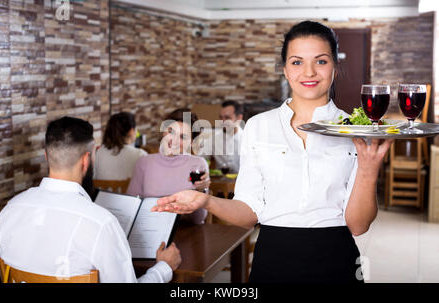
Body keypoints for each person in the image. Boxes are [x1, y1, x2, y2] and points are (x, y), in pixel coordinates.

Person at [152, 21, 393, 283]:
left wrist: (369, 171)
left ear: (335, 66)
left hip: (337, 256)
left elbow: (359, 225)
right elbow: (248, 215)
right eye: (297, 62)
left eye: (321, 61)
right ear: (285, 70)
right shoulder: (258, 126)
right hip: (273, 256)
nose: (309, 72)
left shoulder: (353, 130)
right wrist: (207, 202)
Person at [0, 116, 181, 283]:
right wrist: (164, 268)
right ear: (86, 160)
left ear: (46, 157)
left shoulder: (10, 210)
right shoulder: (101, 223)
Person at [127, 108, 209, 224]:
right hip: (150, 228)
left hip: (187, 230)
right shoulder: (144, 163)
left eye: (183, 137)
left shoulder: (198, 165)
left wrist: (201, 192)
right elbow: (131, 207)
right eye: (171, 131)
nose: (174, 140)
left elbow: (197, 219)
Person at [94, 112, 148, 181]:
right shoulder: (140, 155)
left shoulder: (99, 152)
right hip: (129, 192)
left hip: (102, 192)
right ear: (131, 131)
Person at [195, 100, 244, 173]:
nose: (222, 121)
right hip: (221, 182)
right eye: (221, 117)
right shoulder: (214, 138)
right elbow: (200, 159)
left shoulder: (248, 138)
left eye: (227, 118)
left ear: (239, 118)